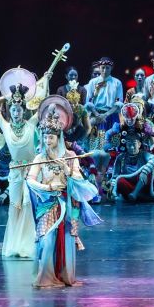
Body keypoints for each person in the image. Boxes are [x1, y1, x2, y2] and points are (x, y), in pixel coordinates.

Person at [26, 107, 102, 288]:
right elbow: (30, 180)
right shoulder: (40, 157)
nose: (47, 141)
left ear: (59, 137)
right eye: (45, 137)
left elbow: (79, 179)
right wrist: (47, 187)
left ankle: (65, 276)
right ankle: (45, 277)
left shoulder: (71, 156)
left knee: (67, 239)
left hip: (68, 204)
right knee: (46, 239)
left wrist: (67, 170)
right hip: (48, 203)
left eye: (51, 138)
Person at [0, 93, 40, 258]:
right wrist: (9, 95)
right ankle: (15, 244)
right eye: (13, 110)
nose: (16, 113)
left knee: (28, 205)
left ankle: (29, 244)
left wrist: (43, 84)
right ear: (10, 111)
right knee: (15, 207)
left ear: (24, 111)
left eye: (19, 110)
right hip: (15, 172)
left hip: (31, 171)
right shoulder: (5, 125)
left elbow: (43, 106)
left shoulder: (31, 124)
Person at [111, 102, 154, 203]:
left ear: (139, 144)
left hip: (142, 180)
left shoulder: (145, 125)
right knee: (120, 182)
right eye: (129, 143)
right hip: (128, 181)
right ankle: (141, 197)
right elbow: (115, 176)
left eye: (134, 144)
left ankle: (137, 195)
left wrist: (144, 171)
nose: (131, 147)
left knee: (150, 171)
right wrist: (113, 187)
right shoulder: (121, 157)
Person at [86, 57, 124, 148]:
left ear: (111, 68)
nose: (105, 70)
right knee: (95, 146)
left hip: (111, 116)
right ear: (99, 68)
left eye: (107, 68)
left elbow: (118, 103)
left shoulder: (117, 83)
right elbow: (89, 101)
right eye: (103, 67)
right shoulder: (93, 82)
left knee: (112, 146)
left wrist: (106, 114)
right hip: (96, 116)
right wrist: (97, 114)